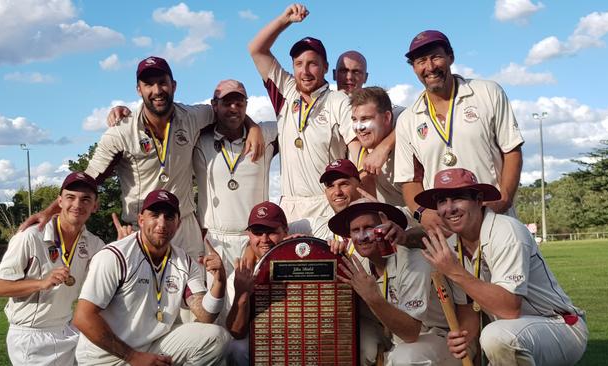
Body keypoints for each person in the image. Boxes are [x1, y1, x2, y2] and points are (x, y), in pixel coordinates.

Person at [20, 56, 264, 260]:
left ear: (174, 85)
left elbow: (230, 111)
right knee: (142, 309)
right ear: (139, 89)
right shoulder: (120, 131)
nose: (157, 90)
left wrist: (253, 127)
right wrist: (51, 210)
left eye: (162, 83)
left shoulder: (193, 116)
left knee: (193, 305)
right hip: (141, 227)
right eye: (148, 84)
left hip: (183, 226)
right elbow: (89, 179)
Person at [418, 168, 588, 365]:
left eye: (457, 198)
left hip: (559, 325)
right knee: (495, 337)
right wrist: (463, 337)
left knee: (496, 337)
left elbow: (509, 309)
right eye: (442, 201)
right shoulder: (452, 246)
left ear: (479, 200)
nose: (449, 208)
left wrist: (454, 271)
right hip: (513, 333)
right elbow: (468, 310)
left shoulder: (507, 230)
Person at [248, 3, 377, 223]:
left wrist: (360, 205)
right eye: (299, 64)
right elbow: (256, 49)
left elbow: (357, 152)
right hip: (290, 207)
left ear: (326, 67)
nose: (305, 71)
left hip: (327, 205)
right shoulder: (286, 89)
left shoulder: (338, 100)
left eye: (312, 64)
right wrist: (284, 20)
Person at [72, 189, 230, 365]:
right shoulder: (115, 256)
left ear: (178, 224)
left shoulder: (185, 261)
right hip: (105, 357)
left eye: (169, 217)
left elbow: (205, 316)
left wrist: (220, 282)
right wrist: (133, 357)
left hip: (149, 346)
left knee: (216, 338)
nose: (161, 223)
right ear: (141, 219)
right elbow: (82, 317)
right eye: (154, 215)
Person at [394, 30, 524, 234]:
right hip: (446, 227)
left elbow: (511, 149)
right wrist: (422, 212)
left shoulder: (487, 92)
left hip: (494, 217)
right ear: (414, 68)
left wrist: (504, 198)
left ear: (450, 57)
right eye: (420, 61)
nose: (429, 67)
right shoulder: (407, 120)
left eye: (436, 57)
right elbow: (410, 179)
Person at [0, 172, 105, 366]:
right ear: (60, 201)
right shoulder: (30, 237)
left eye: (86, 199)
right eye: (70, 197)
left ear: (95, 206)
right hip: (31, 336)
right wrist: (42, 283)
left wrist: (122, 245)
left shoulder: (95, 244)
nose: (77, 205)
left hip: (68, 329)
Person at [329, 198, 460, 365]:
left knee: (405, 358)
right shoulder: (359, 263)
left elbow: (411, 333)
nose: (362, 237)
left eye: (369, 228)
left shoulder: (414, 260)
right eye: (355, 230)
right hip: (396, 341)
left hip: (443, 340)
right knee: (351, 345)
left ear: (386, 227)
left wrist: (373, 297)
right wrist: (330, 253)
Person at [193, 79, 278, 278]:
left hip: (255, 240)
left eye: (239, 104)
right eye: (226, 103)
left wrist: (254, 127)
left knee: (254, 306)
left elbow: (297, 126)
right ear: (214, 105)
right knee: (216, 305)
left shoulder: (265, 134)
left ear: (246, 106)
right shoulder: (198, 138)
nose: (233, 109)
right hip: (213, 241)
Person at [222, 201, 291, 366]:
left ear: (285, 231)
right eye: (258, 233)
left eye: (272, 232)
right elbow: (237, 333)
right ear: (249, 235)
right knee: (236, 349)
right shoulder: (240, 275)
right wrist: (242, 295)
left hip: (300, 332)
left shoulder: (300, 257)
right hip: (262, 337)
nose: (264, 239)